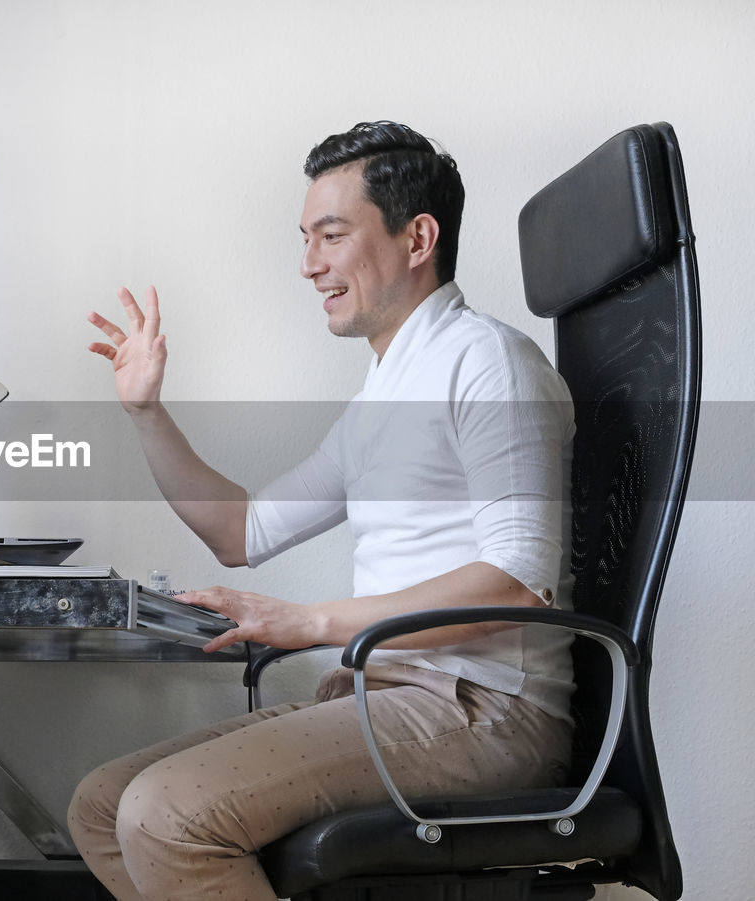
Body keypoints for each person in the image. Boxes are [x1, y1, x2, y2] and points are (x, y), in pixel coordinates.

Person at [69, 121, 576, 901]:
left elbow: (519, 584)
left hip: (482, 708)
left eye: (331, 236)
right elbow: (241, 532)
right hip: (387, 696)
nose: (309, 265)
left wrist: (312, 622)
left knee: (165, 812)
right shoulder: (380, 399)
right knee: (103, 806)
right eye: (306, 239)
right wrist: (146, 412)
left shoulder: (486, 362)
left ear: (418, 238)